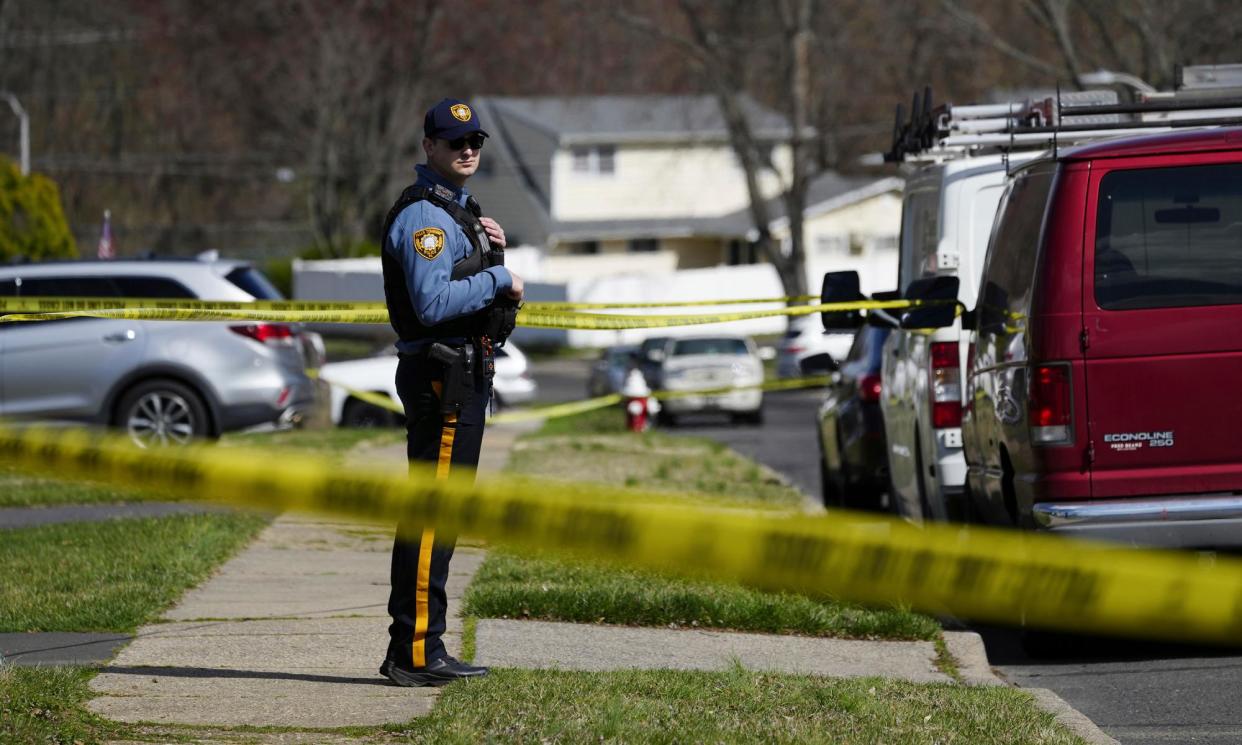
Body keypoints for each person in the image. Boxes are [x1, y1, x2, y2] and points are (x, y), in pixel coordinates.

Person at [378, 98, 523, 687]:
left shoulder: (458, 212)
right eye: (453, 140)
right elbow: (433, 303)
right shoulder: (426, 219)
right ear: (428, 147)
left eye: (475, 141)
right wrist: (499, 276)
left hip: (462, 375)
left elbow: (484, 301)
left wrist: (497, 259)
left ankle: (423, 646)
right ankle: (413, 651)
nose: (467, 149)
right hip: (441, 378)